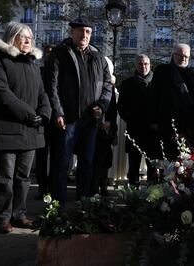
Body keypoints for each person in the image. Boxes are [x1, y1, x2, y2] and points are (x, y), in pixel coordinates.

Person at [0, 21, 51, 233]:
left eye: (29, 37)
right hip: (6, 130)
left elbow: (42, 93)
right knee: (5, 178)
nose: (27, 40)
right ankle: (3, 218)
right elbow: (3, 95)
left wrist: (44, 114)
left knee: (23, 178)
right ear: (10, 38)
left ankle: (19, 214)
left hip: (30, 130)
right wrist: (30, 115)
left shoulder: (33, 64)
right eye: (22, 36)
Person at [44, 16, 113, 204]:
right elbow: (52, 87)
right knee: (62, 164)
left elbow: (107, 85)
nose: (85, 34)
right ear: (71, 31)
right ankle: (58, 206)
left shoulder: (98, 56)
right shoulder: (59, 54)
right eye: (81, 30)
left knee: (87, 164)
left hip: (90, 120)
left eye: (88, 31)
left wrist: (102, 105)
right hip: (68, 119)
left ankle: (84, 204)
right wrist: (58, 112)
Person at [149, 43, 194, 159]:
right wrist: (153, 120)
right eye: (180, 55)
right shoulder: (162, 70)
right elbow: (154, 96)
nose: (183, 59)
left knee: (187, 160)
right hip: (166, 122)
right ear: (173, 55)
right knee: (168, 159)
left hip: (188, 124)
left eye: (186, 57)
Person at [118, 54, 160, 187]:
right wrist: (131, 118)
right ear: (136, 65)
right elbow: (121, 107)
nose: (143, 67)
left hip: (153, 132)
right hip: (134, 130)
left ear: (150, 65)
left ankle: (152, 194)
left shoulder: (158, 83)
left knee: (152, 167)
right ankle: (132, 195)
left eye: (146, 64)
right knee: (133, 165)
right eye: (140, 64)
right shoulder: (127, 84)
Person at [91, 56, 118, 196]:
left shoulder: (110, 87)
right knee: (96, 160)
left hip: (107, 129)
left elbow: (113, 108)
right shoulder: (94, 82)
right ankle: (95, 187)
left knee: (106, 159)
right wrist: (99, 122)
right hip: (95, 127)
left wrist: (111, 124)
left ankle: (103, 186)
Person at [34, 44, 55, 200]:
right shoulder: (37, 72)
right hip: (41, 119)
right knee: (41, 156)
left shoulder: (61, 73)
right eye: (48, 52)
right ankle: (42, 188)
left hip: (57, 119)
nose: (50, 55)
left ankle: (53, 188)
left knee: (56, 156)